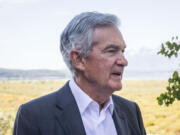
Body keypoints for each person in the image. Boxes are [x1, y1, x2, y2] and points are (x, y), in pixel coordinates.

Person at [13, 12, 146, 135]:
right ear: (78, 59)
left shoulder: (131, 111)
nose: (124, 61)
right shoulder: (34, 116)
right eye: (111, 51)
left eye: (123, 51)